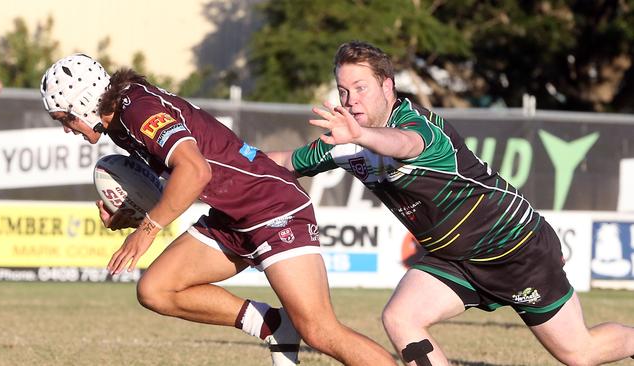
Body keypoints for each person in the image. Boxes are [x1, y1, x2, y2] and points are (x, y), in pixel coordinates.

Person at [268, 41, 634, 365]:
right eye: (343, 90)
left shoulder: (420, 127)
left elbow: (405, 144)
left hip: (514, 248)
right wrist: (228, 156)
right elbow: (285, 162)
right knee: (401, 317)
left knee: (579, 353)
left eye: (361, 88)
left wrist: (362, 135)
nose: (351, 100)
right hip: (456, 259)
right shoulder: (346, 141)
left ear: (387, 86)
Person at [39, 54, 396, 366]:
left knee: (320, 330)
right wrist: (133, 214)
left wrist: (145, 231)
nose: (67, 129)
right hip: (232, 215)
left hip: (270, 206)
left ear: (83, 102)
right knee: (156, 289)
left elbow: (195, 171)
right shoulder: (122, 122)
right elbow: (177, 181)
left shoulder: (137, 109)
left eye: (64, 118)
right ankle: (272, 324)